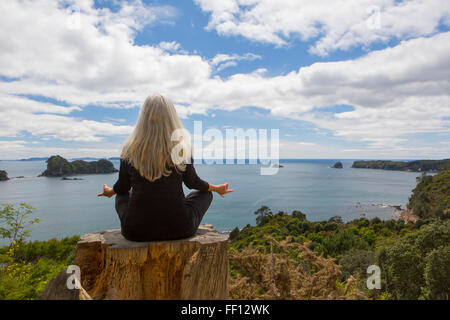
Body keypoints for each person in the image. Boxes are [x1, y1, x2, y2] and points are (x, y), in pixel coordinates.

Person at [97, 94, 233, 241]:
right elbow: (193, 183)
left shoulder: (130, 150)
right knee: (206, 194)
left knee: (121, 195)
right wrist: (216, 188)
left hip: (136, 231)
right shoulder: (181, 149)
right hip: (180, 228)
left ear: (143, 116)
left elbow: (122, 188)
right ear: (171, 116)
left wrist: (110, 191)